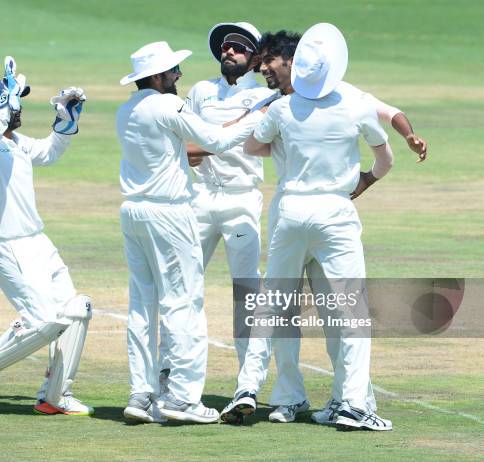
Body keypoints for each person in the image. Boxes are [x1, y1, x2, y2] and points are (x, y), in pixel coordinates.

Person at [221, 28, 428, 426]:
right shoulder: (354, 107)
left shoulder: (281, 109)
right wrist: (362, 182)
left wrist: (285, 145)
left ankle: (247, 388)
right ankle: (352, 403)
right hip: (335, 212)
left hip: (291, 211)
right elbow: (385, 162)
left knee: (273, 304)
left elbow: (251, 146)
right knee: (349, 310)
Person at [116, 41, 265, 424]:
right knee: (185, 303)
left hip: (133, 213)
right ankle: (182, 399)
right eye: (172, 71)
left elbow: (203, 139)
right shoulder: (168, 105)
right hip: (169, 213)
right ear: (156, 77)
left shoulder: (126, 109)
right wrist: (263, 110)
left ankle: (142, 394)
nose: (179, 75)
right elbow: (216, 141)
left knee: (143, 305)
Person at [0, 57, 93, 416]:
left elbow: (49, 152)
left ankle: (54, 395)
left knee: (76, 310)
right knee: (45, 321)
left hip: (38, 241)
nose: (21, 107)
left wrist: (66, 117)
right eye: (15, 100)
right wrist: (6, 105)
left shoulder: (17, 142)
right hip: (8, 245)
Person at [180, 22, 275, 368]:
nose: (229, 51)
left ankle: (247, 381)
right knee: (183, 284)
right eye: (225, 47)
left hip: (241, 199)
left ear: (254, 59)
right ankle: (171, 371)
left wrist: (208, 142)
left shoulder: (267, 96)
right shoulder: (201, 91)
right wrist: (226, 138)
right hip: (200, 197)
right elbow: (185, 148)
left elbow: (256, 145)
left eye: (238, 47)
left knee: (246, 291)